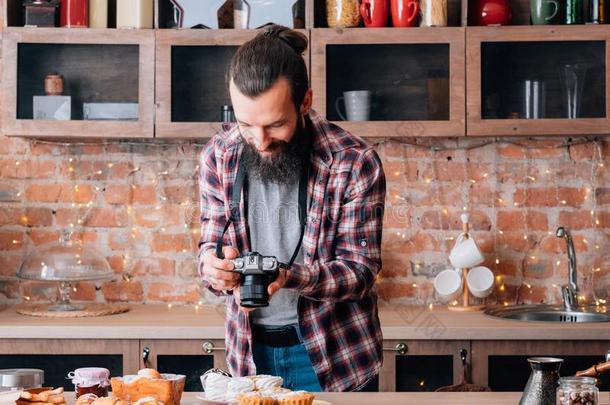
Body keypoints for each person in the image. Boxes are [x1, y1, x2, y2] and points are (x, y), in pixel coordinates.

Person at [198, 24, 386, 392]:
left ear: (304, 101)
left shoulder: (354, 162)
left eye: (276, 124)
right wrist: (214, 269)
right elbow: (209, 247)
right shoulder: (218, 156)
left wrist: (289, 276)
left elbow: (360, 271)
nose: (261, 141)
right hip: (249, 355)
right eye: (245, 124)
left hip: (336, 357)